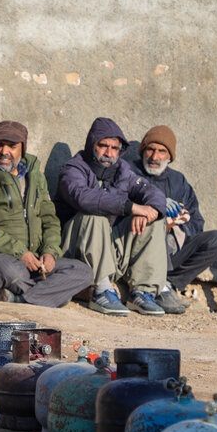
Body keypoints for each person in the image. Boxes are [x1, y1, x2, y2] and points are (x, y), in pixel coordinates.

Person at [0, 121, 93, 307]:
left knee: (83, 272)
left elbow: (49, 219)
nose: (4, 152)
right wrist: (20, 253)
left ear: (22, 149)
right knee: (11, 272)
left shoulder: (34, 174)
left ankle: (18, 298)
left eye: (12, 146)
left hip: (36, 261)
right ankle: (51, 294)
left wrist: (50, 252)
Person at [56, 117, 170, 316]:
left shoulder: (122, 171)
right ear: (92, 145)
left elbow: (152, 192)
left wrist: (149, 210)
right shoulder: (73, 168)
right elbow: (84, 198)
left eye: (115, 148)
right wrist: (131, 207)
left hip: (110, 252)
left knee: (153, 219)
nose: (109, 153)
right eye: (103, 146)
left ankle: (142, 292)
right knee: (95, 216)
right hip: (76, 253)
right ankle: (101, 289)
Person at [134, 125, 217, 313]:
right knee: (155, 221)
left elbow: (196, 222)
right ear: (143, 151)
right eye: (150, 149)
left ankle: (170, 283)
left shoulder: (179, 182)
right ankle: (158, 286)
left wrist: (178, 225)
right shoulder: (130, 173)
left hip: (172, 250)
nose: (154, 157)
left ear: (170, 156)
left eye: (162, 151)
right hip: (139, 248)